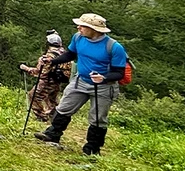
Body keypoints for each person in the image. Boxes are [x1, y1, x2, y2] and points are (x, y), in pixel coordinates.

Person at [34, 13, 128, 156]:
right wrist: (52, 61)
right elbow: (71, 54)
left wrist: (103, 78)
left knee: (97, 118)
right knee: (64, 107)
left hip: (104, 87)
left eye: (82, 26)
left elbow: (119, 72)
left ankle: (92, 149)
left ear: (94, 29)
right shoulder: (78, 38)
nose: (78, 28)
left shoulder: (114, 47)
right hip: (81, 81)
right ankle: (52, 134)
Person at [20, 31, 72, 122]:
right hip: (58, 81)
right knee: (52, 99)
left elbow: (41, 72)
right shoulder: (63, 53)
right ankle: (55, 117)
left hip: (47, 81)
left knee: (33, 96)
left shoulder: (48, 56)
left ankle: (41, 116)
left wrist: (26, 69)